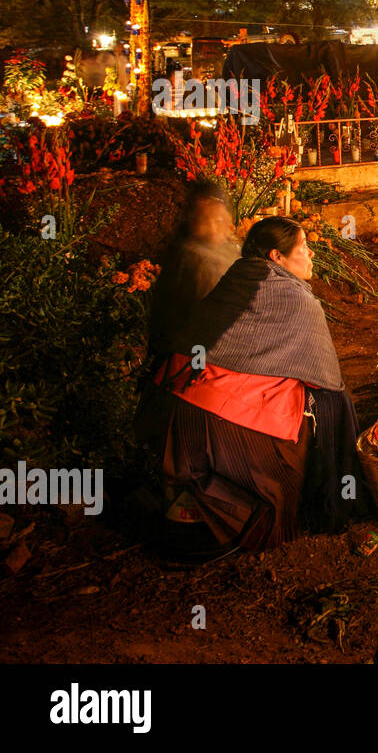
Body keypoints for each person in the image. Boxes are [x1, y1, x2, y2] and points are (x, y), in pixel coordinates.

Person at [139, 218, 361, 560]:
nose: (311, 252)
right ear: (277, 256)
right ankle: (281, 508)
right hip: (211, 422)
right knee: (317, 409)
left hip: (169, 410)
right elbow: (328, 381)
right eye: (303, 246)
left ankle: (191, 503)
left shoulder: (239, 276)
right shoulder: (294, 297)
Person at [148, 181, 241, 357]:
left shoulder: (226, 250)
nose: (213, 227)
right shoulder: (192, 258)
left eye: (218, 219)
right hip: (193, 355)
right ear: (192, 221)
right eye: (205, 221)